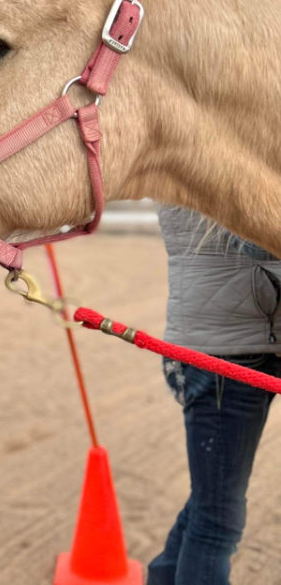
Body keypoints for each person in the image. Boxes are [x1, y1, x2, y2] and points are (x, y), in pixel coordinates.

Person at [147, 205, 281, 585]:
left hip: (247, 338)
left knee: (213, 500)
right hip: (224, 353)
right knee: (217, 519)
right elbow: (259, 233)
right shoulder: (217, 152)